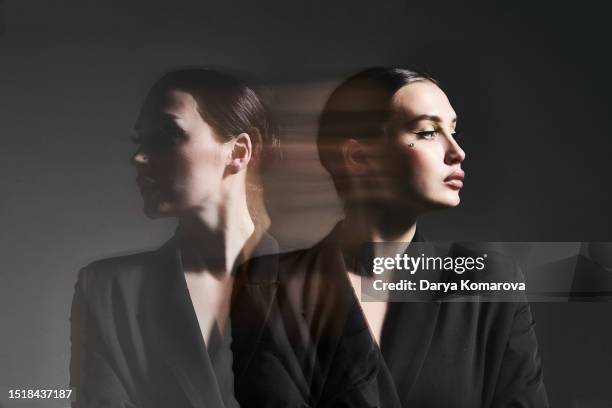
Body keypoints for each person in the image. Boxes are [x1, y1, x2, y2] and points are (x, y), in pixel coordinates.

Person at [235, 67, 549, 407]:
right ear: (358, 157)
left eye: (454, 130)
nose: (457, 151)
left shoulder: (486, 280)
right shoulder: (267, 286)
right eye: (428, 132)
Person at [69, 68, 279, 408]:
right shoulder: (107, 290)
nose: (137, 158)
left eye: (168, 135)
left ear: (239, 152)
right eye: (141, 141)